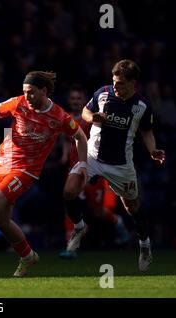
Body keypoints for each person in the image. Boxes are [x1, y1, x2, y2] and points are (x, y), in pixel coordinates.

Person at [0, 71, 88, 277]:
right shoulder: (18, 103)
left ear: (44, 91)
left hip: (25, 171)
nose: (27, 97)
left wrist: (83, 164)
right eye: (25, 92)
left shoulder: (59, 116)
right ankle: (27, 256)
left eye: (31, 93)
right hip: (1, 164)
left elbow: (80, 137)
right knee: (1, 220)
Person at [63, 59, 166, 271]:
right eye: (114, 81)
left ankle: (145, 245)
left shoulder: (142, 106)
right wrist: (93, 117)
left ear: (133, 83)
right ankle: (80, 227)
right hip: (92, 157)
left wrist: (153, 151)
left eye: (120, 83)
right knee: (69, 191)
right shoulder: (103, 93)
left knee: (132, 207)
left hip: (121, 165)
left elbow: (146, 132)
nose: (115, 86)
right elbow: (84, 112)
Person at [59, 85, 128, 259]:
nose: (75, 101)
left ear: (83, 101)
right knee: (70, 204)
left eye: (78, 98)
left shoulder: (91, 119)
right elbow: (66, 142)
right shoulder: (65, 119)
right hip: (75, 170)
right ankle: (71, 248)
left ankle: (118, 223)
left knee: (98, 212)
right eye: (72, 98)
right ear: (69, 101)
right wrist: (64, 156)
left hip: (92, 169)